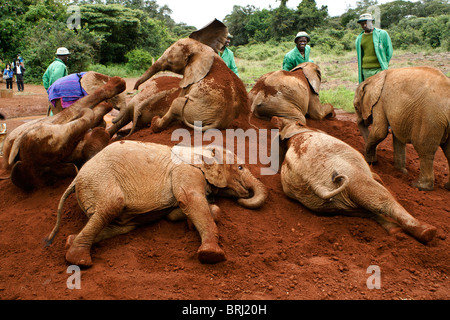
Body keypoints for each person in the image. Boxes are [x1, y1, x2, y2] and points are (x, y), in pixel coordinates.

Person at [355, 13, 393, 83]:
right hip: (365, 70)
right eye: (362, 24)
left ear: (371, 22)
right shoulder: (359, 38)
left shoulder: (382, 34)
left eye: (366, 23)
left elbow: (389, 51)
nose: (365, 25)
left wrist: (384, 63)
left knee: (380, 91)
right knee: (368, 92)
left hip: (379, 69)